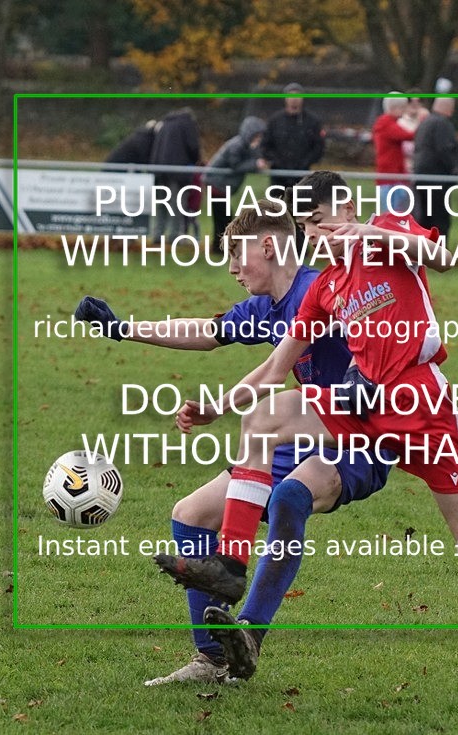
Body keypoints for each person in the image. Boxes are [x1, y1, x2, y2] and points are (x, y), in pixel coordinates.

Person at [159, 170, 458, 688]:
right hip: (363, 406)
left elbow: (444, 257)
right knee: (261, 417)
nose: (315, 237)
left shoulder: (387, 234)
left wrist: (372, 235)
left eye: (320, 222)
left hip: (420, 405)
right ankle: (231, 568)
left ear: (347, 210)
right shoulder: (324, 286)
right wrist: (217, 406)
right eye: (306, 227)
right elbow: (277, 368)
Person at [74, 200, 393, 685]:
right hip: (297, 434)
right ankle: (214, 658)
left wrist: (356, 381)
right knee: (191, 513)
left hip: (361, 439)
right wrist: (124, 329)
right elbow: (206, 331)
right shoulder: (267, 308)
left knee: (289, 496)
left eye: (236, 256)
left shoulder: (320, 289)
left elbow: (376, 334)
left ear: (268, 246)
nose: (232, 270)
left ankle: (251, 633)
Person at [203, 116, 269, 251]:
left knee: (223, 218)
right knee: (224, 219)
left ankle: (220, 246)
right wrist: (255, 164)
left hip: (220, 186)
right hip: (217, 186)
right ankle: (221, 247)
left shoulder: (245, 146)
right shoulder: (236, 145)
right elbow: (236, 165)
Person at [149, 107, 201, 242]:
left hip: (160, 170)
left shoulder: (165, 123)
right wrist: (196, 160)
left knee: (161, 203)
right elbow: (193, 147)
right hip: (178, 171)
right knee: (177, 204)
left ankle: (158, 234)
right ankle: (175, 235)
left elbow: (156, 147)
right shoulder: (187, 123)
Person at [261, 83, 325, 190]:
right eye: (291, 96)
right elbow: (265, 145)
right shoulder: (275, 121)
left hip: (302, 175)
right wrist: (277, 162)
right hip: (278, 175)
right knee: (277, 205)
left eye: (297, 96)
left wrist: (305, 163)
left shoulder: (312, 122)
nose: (294, 99)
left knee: (301, 205)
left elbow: (319, 147)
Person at [413, 97, 458, 238]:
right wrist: (454, 169)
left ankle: (422, 255)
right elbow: (444, 150)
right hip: (438, 179)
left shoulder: (425, 123)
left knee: (425, 220)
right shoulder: (442, 124)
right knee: (440, 221)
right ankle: (438, 256)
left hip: (421, 177)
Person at [372, 94, 415, 213]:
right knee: (391, 214)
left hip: (394, 175)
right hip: (390, 176)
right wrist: (422, 125)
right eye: (403, 108)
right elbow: (408, 135)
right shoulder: (386, 123)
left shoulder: (388, 123)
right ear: (395, 108)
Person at [398, 94, 430, 175]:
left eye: (418, 101)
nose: (414, 103)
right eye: (410, 101)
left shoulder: (427, 121)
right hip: (404, 169)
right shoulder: (399, 122)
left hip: (423, 168)